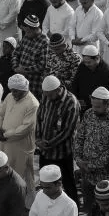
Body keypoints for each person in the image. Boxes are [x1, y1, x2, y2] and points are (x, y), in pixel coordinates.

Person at [34, 75, 80, 204]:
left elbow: (68, 131)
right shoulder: (46, 97)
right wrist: (38, 139)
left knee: (68, 185)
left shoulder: (71, 102)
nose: (47, 97)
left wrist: (48, 143)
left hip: (62, 152)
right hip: (45, 151)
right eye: (46, 94)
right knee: (46, 184)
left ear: (58, 89)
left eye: (50, 94)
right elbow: (39, 117)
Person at [0, 74, 39, 192]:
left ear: (24, 90)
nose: (13, 93)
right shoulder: (9, 96)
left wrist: (6, 134)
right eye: (12, 90)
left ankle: (28, 204)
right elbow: (0, 113)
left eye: (16, 91)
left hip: (21, 146)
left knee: (22, 176)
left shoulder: (32, 103)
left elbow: (26, 127)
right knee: (5, 171)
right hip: (4, 143)